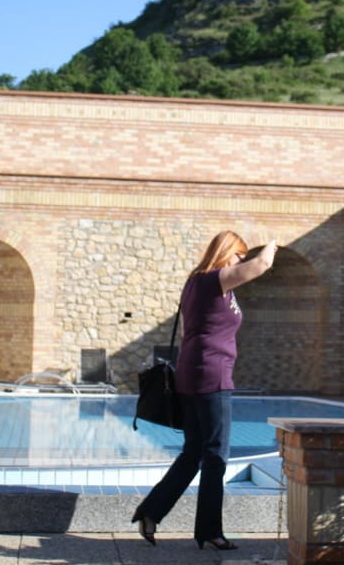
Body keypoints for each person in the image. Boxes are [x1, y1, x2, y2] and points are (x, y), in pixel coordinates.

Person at [132, 230, 278, 551]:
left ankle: (150, 511)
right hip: (212, 375)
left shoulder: (195, 283)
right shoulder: (214, 280)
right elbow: (263, 263)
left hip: (193, 372)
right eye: (238, 255)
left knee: (194, 453)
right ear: (226, 253)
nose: (241, 261)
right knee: (216, 455)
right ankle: (210, 531)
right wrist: (274, 239)